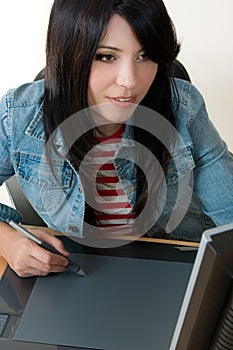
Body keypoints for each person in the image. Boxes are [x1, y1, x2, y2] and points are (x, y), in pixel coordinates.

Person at [0, 0, 233, 278]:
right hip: (79, 272)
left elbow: (229, 215)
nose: (130, 80)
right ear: (68, 54)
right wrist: (8, 242)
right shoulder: (18, 115)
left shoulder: (184, 107)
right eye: (106, 56)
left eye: (144, 55)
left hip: (175, 267)